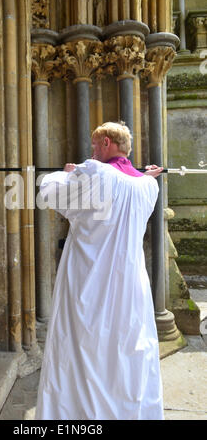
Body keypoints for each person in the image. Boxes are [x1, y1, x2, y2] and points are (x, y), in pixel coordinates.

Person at [35, 121, 164, 420]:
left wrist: (65, 174)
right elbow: (127, 188)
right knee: (125, 347)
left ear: (106, 142)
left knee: (82, 345)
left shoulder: (96, 173)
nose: (92, 151)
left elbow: (51, 194)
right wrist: (141, 175)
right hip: (129, 282)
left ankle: (79, 416)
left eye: (95, 145)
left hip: (89, 279)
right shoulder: (149, 186)